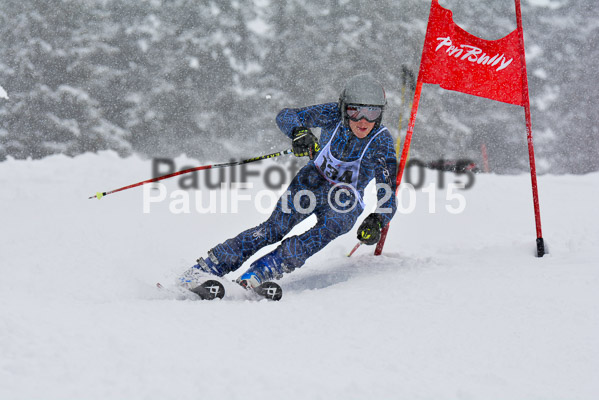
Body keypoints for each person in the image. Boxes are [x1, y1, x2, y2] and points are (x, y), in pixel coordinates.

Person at [180, 74, 398, 290]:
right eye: (355, 110)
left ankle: (262, 271)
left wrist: (376, 220)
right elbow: (286, 116)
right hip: (312, 182)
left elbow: (387, 196)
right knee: (273, 229)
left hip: (345, 200)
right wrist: (299, 132)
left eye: (372, 112)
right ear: (343, 108)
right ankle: (209, 267)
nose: (363, 120)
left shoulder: (382, 143)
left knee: (326, 230)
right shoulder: (332, 114)